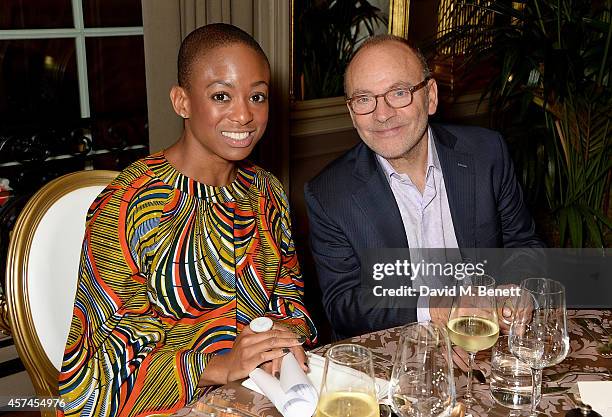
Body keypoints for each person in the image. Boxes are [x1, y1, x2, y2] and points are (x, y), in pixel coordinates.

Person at [59, 23, 317, 417]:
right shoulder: (130, 204)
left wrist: (280, 345)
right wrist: (218, 365)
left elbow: (291, 305)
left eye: (257, 96)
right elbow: (92, 377)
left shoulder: (267, 193)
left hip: (265, 400)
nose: (245, 115)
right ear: (181, 102)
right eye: (221, 96)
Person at [304, 34, 544, 340]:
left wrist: (517, 291)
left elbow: (524, 245)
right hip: (398, 353)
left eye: (399, 92)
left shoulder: (487, 153)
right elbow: (343, 306)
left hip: (489, 338)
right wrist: (434, 308)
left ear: (430, 96)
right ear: (352, 113)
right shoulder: (328, 194)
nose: (382, 114)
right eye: (364, 99)